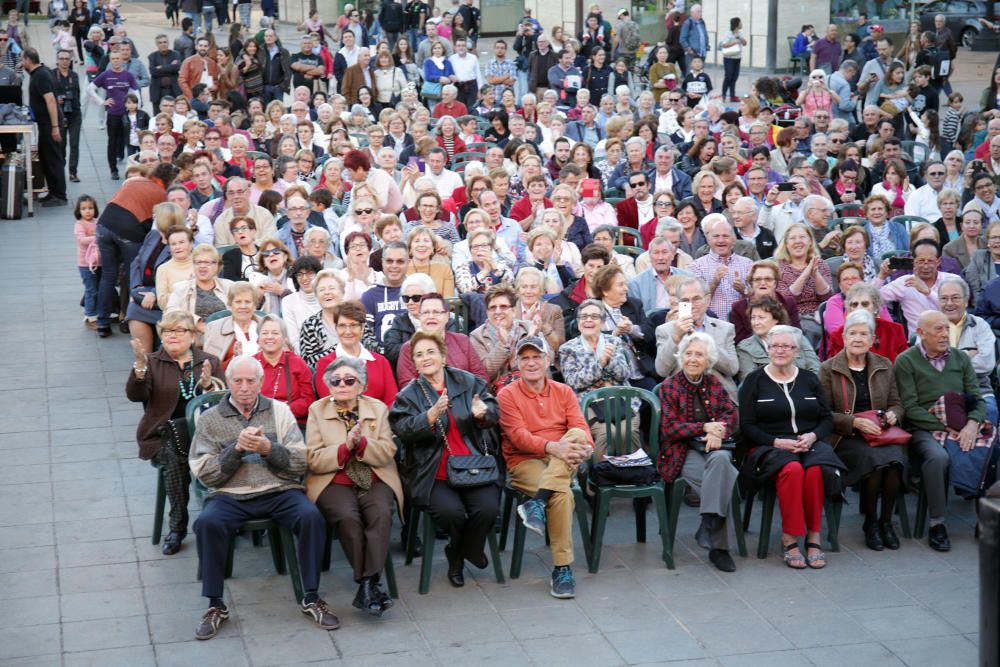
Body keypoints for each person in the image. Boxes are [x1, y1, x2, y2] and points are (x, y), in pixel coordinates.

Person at [189, 355, 340, 639]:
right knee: (207, 523)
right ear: (229, 383)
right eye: (238, 381)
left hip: (279, 490)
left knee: (311, 517)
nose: (244, 387)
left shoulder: (280, 411)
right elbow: (206, 475)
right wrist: (235, 451)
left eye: (250, 381)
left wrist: (269, 449)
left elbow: (299, 463)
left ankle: (311, 595)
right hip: (230, 494)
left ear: (261, 382)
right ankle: (215, 604)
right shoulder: (210, 419)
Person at [388, 330, 502, 588]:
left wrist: (484, 412)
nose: (425, 358)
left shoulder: (468, 381)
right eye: (418, 355)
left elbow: (494, 410)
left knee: (489, 509)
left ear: (442, 355)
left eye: (430, 352)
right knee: (452, 513)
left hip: (473, 464)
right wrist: (428, 416)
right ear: (414, 363)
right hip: (433, 471)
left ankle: (461, 552)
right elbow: (401, 429)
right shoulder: (408, 394)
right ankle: (459, 560)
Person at [739, 325, 842, 570]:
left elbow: (827, 419)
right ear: (767, 348)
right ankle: (790, 537)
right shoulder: (754, 381)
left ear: (797, 350)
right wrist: (775, 442)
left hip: (809, 441)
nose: (780, 350)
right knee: (793, 469)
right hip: (768, 444)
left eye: (786, 346)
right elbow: (747, 426)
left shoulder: (808, 379)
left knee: (817, 469)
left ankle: (814, 536)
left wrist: (814, 436)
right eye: (775, 345)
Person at [306, 356, 402, 615]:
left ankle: (366, 584)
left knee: (381, 513)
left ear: (361, 386)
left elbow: (387, 451)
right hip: (334, 479)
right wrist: (344, 447)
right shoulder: (317, 410)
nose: (342, 385)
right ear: (329, 386)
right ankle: (369, 584)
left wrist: (360, 445)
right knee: (348, 517)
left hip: (374, 475)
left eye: (349, 380)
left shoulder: (378, 409)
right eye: (335, 381)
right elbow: (313, 459)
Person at [499, 336, 593, 598]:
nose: (531, 363)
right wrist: (555, 448)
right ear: (517, 363)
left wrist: (585, 449)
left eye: (536, 357)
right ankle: (562, 568)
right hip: (525, 460)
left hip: (563, 457)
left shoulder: (563, 391)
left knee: (576, 434)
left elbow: (581, 429)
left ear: (548, 360)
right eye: (525, 358)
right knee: (561, 495)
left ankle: (538, 502)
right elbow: (518, 437)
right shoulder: (507, 395)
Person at [127, 309, 223, 556]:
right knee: (174, 459)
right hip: (161, 435)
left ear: (192, 335)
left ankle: (226, 515)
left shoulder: (209, 361)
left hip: (204, 435)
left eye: (179, 330)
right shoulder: (151, 362)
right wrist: (139, 368)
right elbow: (135, 395)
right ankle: (177, 527)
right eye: (167, 331)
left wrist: (208, 386)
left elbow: (223, 402)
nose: (173, 335)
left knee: (230, 453)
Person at [895, 310, 988, 552]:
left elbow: (976, 399)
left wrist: (971, 424)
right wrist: (944, 427)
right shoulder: (906, 361)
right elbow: (910, 407)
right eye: (938, 329)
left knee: (991, 450)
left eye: (946, 328)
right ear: (920, 333)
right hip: (923, 427)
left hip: (961, 423)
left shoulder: (960, 358)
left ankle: (986, 519)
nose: (945, 334)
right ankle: (937, 524)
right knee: (938, 457)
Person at [819, 309, 906, 551]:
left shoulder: (884, 365)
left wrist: (893, 415)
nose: (858, 339)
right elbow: (824, 413)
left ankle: (886, 522)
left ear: (872, 339)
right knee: (875, 464)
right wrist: (854, 422)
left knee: (894, 464)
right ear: (844, 337)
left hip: (880, 433)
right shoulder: (829, 368)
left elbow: (897, 403)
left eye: (864, 334)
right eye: (852, 333)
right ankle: (870, 523)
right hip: (846, 436)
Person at [658, 332, 740, 572]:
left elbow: (730, 415)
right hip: (680, 451)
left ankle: (707, 523)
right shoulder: (668, 387)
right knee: (721, 479)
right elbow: (669, 428)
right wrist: (704, 426)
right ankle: (720, 548)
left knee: (722, 462)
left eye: (699, 354)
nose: (693, 359)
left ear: (709, 360)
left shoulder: (713, 382)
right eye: (689, 353)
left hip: (714, 448)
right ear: (681, 356)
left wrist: (718, 432)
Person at [655, 277, 739, 398]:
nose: (691, 305)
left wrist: (705, 342)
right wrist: (676, 338)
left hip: (719, 397)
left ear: (708, 299)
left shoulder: (725, 328)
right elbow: (662, 370)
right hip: (681, 397)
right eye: (685, 301)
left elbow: (732, 369)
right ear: (678, 304)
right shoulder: (666, 330)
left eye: (696, 299)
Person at [314, 301, 397, 406]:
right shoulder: (325, 364)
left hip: (379, 420)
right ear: (336, 328)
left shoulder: (381, 362)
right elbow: (328, 404)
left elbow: (392, 401)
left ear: (362, 328)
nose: (348, 331)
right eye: (342, 325)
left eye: (353, 325)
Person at [879, 239, 957, 333]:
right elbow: (872, 298)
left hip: (950, 337)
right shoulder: (905, 283)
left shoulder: (952, 280)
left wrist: (928, 293)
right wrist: (882, 276)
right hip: (919, 341)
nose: (925, 266)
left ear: (938, 262)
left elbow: (957, 309)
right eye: (921, 261)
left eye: (930, 261)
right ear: (913, 261)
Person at [253, 314, 316, 428]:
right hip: (257, 424)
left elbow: (309, 401)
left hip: (292, 423)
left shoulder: (297, 363)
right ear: (258, 339)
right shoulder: (251, 364)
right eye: (265, 333)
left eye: (275, 333)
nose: (270, 337)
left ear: (284, 339)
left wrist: (283, 410)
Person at [23, 48, 67, 206]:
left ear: (28, 60)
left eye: (22, 60)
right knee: (45, 157)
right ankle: (53, 191)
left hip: (50, 125)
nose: (22, 64)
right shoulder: (39, 73)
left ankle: (60, 195)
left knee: (54, 159)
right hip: (44, 125)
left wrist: (55, 127)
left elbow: (50, 100)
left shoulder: (40, 75)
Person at [737, 296, 820, 379]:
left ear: (776, 319)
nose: (756, 322)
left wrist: (805, 387)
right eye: (753, 318)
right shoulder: (745, 347)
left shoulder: (797, 336)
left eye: (761, 318)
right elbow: (749, 380)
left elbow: (815, 368)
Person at [730, 260, 801, 343]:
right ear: (751, 283)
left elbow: (797, 333)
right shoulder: (738, 308)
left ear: (775, 283)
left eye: (768, 279)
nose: (763, 283)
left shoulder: (788, 303)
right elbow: (740, 341)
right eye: (757, 279)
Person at [202, 281, 265, 367]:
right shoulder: (214, 328)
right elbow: (210, 369)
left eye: (248, 302)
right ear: (230, 305)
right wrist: (233, 360)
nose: (243, 306)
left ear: (255, 305)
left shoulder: (267, 326)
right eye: (238, 302)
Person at [298, 270, 347, 368]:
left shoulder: (355, 319)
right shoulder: (310, 325)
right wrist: (341, 348)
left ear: (342, 293)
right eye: (322, 290)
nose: (327, 292)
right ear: (316, 296)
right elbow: (308, 363)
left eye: (332, 288)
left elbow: (369, 348)